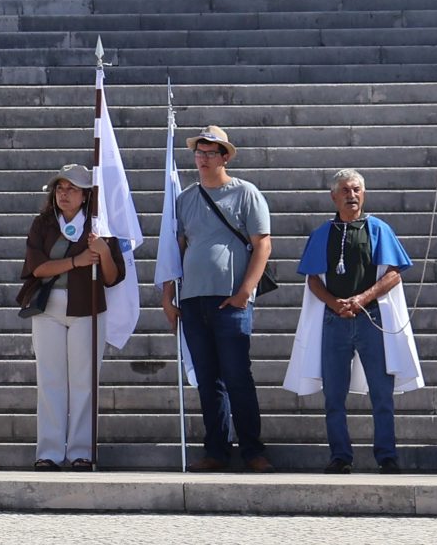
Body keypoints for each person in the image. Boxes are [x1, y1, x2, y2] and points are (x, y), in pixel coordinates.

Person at [283, 169, 418, 473]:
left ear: (364, 194)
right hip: (335, 321)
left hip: (371, 318)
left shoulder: (378, 229)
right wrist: (336, 304)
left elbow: (394, 274)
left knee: (381, 392)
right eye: (345, 190)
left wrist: (362, 299)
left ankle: (387, 455)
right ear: (334, 196)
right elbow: (313, 280)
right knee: (334, 394)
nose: (351, 195)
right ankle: (340, 455)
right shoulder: (322, 233)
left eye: (356, 190)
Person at [160, 125, 274, 473]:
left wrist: (244, 293)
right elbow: (175, 249)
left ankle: (252, 450)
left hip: (230, 300)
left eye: (211, 152)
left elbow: (263, 245)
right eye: (200, 152)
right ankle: (216, 450)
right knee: (208, 380)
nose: (203, 158)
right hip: (193, 300)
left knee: (238, 376)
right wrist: (168, 296)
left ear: (225, 157)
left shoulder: (246, 193)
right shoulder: (185, 199)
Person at [19, 166, 124, 470]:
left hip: (87, 307)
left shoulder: (99, 224)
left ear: (86, 195)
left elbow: (112, 277)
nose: (64, 194)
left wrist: (103, 251)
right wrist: (77, 260)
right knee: (49, 380)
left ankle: (81, 452)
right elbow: (38, 268)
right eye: (60, 188)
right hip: (48, 308)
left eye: (72, 189)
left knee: (84, 382)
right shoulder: (43, 224)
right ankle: (49, 453)